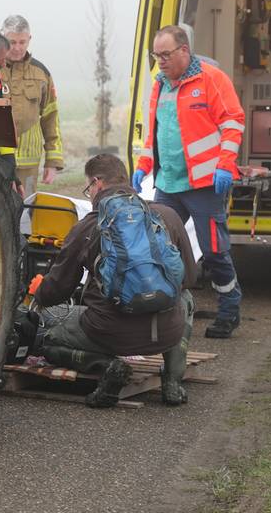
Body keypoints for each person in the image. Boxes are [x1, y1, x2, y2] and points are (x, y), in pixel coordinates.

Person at [31, 154, 199, 408]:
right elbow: (188, 279)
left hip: (109, 334)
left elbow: (56, 291)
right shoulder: (167, 216)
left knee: (47, 338)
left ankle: (109, 365)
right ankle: (173, 381)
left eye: (89, 187)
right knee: (185, 298)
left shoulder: (88, 226)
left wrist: (40, 291)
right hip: (166, 332)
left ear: (97, 183)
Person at [133, 25, 246, 339]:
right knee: (156, 247)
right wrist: (144, 164)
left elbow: (233, 122)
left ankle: (229, 309)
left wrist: (225, 165)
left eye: (166, 55)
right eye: (156, 56)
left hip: (205, 185)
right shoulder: (159, 85)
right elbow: (154, 133)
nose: (161, 62)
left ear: (184, 50)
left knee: (214, 251)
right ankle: (162, 311)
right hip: (168, 184)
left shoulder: (211, 79)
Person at [0, 14, 64, 197]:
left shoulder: (41, 73)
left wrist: (53, 161)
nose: (18, 48)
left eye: (22, 42)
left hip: (29, 163)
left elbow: (51, 117)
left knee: (25, 212)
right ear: (3, 38)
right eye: (12, 42)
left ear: (30, 39)